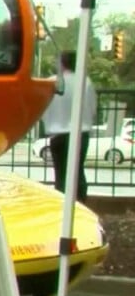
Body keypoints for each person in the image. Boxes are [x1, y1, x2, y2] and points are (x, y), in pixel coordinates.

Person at [40, 49, 97, 203]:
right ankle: (81, 203)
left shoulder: (53, 82)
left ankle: (63, 204)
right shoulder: (85, 81)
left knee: (61, 174)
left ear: (61, 64)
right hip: (81, 133)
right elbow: (92, 108)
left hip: (58, 134)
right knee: (78, 171)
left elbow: (42, 106)